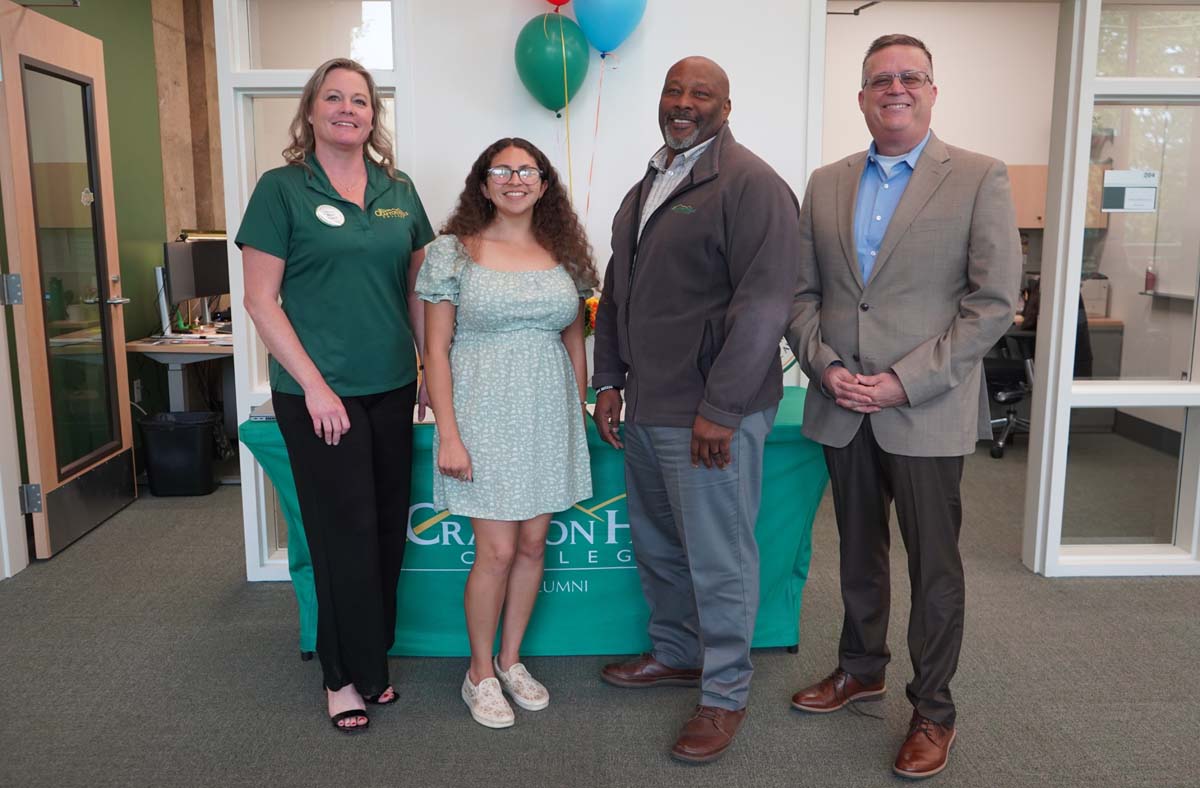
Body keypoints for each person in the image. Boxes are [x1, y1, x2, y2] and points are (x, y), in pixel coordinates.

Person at [785, 34, 1021, 779]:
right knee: (856, 552)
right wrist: (823, 367)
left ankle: (933, 710)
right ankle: (861, 668)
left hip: (926, 405)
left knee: (934, 566)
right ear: (860, 96)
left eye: (910, 76)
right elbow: (801, 294)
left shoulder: (980, 176)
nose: (896, 87)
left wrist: (901, 381)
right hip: (840, 401)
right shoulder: (825, 182)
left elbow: (992, 306)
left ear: (931, 90)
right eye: (880, 78)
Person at [591, 56, 801, 763]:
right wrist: (609, 378)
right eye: (674, 91)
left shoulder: (751, 185)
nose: (683, 103)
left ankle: (724, 694)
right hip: (648, 406)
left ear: (726, 105)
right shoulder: (650, 182)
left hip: (711, 414)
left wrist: (724, 404)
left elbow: (765, 304)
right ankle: (678, 654)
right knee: (658, 546)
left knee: (718, 558)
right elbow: (618, 291)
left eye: (700, 93)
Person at [237, 58, 435, 734]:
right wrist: (317, 388)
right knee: (338, 534)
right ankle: (339, 676)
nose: (348, 109)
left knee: (384, 527)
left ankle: (371, 663)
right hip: (318, 395)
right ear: (312, 110)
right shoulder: (281, 189)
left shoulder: (398, 189)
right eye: (334, 98)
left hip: (390, 387)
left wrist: (427, 368)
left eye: (360, 100)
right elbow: (260, 301)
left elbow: (416, 288)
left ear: (373, 115)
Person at [418, 137, 597, 729]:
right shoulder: (453, 252)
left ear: (544, 183)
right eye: (502, 169)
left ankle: (511, 659)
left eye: (528, 170)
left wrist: (576, 410)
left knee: (531, 546)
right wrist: (448, 432)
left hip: (547, 416)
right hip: (481, 415)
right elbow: (436, 350)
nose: (515, 179)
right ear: (483, 182)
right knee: (494, 550)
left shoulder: (563, 252)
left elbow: (574, 339)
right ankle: (478, 673)